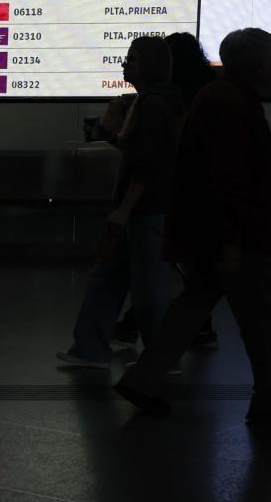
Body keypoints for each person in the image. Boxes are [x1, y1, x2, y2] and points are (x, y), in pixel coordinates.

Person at [115, 27, 271, 422]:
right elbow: (230, 178)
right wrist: (233, 240)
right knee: (259, 321)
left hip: (207, 230)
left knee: (191, 306)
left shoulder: (218, 98)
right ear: (255, 64)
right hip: (230, 235)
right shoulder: (235, 104)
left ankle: (143, 378)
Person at [57, 36, 185, 369]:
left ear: (150, 65)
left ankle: (160, 357)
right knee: (112, 278)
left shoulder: (152, 105)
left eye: (132, 59)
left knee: (146, 288)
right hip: (144, 208)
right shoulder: (155, 102)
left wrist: (124, 209)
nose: (125, 64)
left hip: (145, 209)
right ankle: (89, 346)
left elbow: (146, 163)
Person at [111, 31, 219, 349]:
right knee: (187, 263)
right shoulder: (206, 87)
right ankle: (192, 327)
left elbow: (150, 158)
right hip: (200, 184)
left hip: (176, 188)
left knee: (158, 270)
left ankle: (159, 339)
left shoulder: (162, 100)